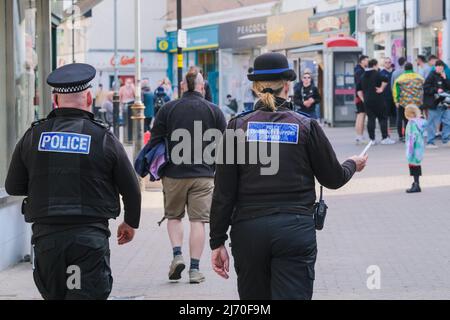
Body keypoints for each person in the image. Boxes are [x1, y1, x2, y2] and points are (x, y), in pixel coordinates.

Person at [209, 52, 368, 300]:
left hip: (248, 232)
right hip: (295, 230)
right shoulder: (306, 126)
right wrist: (351, 164)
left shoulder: (237, 127)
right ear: (287, 85)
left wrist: (217, 240)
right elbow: (333, 178)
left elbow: (223, 192)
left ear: (254, 88)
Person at [5, 63, 141, 300]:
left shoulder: (33, 136)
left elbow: (13, 186)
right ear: (88, 97)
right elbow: (131, 188)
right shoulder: (103, 138)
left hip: (47, 241)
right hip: (89, 238)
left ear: (55, 100)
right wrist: (130, 223)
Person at [148, 67, 227, 284]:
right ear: (202, 87)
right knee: (198, 221)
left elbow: (154, 141)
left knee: (173, 216)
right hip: (203, 175)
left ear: (182, 86)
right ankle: (194, 269)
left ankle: (177, 255)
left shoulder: (168, 109)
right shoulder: (214, 111)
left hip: (174, 174)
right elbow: (225, 145)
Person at [357, 59, 396, 145]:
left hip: (367, 101)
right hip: (378, 100)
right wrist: (382, 88)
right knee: (382, 118)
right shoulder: (377, 74)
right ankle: (384, 138)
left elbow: (358, 90)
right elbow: (386, 79)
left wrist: (363, 98)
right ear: (375, 65)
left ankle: (372, 139)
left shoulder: (363, 76)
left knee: (371, 119)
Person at [393, 63, 424, 143]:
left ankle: (401, 136)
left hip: (404, 102)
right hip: (416, 102)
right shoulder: (419, 77)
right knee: (416, 118)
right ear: (412, 68)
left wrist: (396, 100)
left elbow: (396, 90)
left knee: (401, 118)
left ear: (405, 69)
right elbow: (423, 88)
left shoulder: (400, 78)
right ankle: (415, 134)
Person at [423, 60, 450, 148]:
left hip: (444, 103)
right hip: (434, 103)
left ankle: (445, 140)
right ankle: (430, 142)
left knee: (447, 121)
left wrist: (445, 78)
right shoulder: (431, 75)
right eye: (438, 67)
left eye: (442, 67)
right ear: (435, 67)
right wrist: (436, 90)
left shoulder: (443, 76)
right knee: (432, 123)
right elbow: (426, 88)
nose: (440, 68)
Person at [404, 105, 427, 194]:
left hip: (413, 148)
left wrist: (410, 150)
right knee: (417, 164)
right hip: (419, 148)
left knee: (413, 165)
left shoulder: (411, 123)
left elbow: (411, 137)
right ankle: (416, 183)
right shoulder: (419, 122)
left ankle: (416, 184)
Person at [354, 55, 369, 144]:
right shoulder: (360, 71)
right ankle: (359, 136)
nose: (367, 62)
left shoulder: (358, 70)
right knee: (361, 116)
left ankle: (359, 135)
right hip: (360, 96)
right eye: (366, 60)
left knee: (360, 115)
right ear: (362, 61)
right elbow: (361, 85)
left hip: (359, 96)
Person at [380, 57, 397, 129]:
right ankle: (387, 132)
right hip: (385, 97)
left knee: (397, 114)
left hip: (395, 96)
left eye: (389, 62)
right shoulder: (381, 73)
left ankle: (399, 130)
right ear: (383, 64)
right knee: (385, 115)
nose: (387, 64)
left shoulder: (395, 72)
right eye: (386, 62)